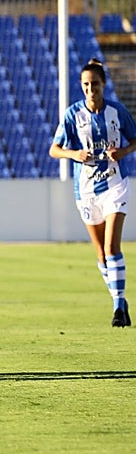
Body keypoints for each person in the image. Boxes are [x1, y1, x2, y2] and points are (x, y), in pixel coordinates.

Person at [49, 58, 136, 327]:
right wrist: (74, 153)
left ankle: (118, 305)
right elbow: (54, 149)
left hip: (114, 184)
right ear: (81, 86)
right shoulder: (72, 115)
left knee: (112, 246)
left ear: (104, 85)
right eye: (86, 85)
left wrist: (123, 151)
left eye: (95, 85)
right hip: (86, 190)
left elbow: (135, 139)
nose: (90, 90)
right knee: (100, 253)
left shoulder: (117, 111)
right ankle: (117, 298)